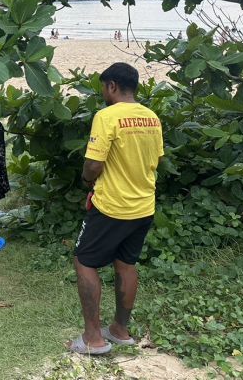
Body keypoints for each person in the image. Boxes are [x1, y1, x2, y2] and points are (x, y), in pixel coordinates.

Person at [69, 62, 164, 355]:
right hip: (144, 206)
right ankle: (120, 330)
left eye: (103, 87)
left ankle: (93, 339)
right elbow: (156, 159)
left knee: (84, 262)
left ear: (111, 85)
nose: (103, 93)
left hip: (112, 206)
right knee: (126, 264)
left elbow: (94, 164)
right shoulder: (151, 117)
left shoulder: (107, 116)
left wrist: (86, 179)